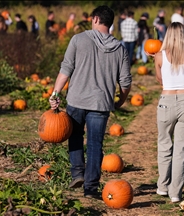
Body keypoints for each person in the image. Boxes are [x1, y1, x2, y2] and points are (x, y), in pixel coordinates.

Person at [49, 5, 132, 199]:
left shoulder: (78, 40)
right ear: (110, 24)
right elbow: (126, 82)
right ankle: (91, 187)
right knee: (95, 144)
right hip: (101, 103)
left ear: (95, 19)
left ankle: (77, 173)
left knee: (75, 136)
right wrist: (120, 100)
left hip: (76, 100)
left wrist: (55, 94)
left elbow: (66, 69)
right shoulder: (120, 48)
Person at [146, 22, 184, 203]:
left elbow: (160, 80)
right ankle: (175, 193)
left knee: (164, 145)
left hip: (167, 102)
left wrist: (155, 60)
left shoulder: (160, 56)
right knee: (181, 150)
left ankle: (162, 186)